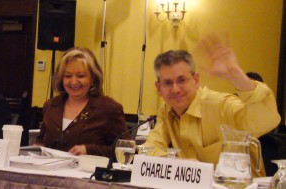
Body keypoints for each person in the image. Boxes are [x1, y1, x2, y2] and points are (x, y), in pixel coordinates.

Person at [142, 33, 281, 177]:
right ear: (158, 88)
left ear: (196, 80)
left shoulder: (221, 105)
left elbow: (267, 120)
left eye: (182, 80)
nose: (175, 89)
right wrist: (177, 163)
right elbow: (148, 150)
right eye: (168, 83)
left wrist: (236, 75)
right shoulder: (166, 111)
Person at [35, 47, 129, 157]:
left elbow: (126, 151)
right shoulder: (51, 105)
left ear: (93, 78)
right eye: (68, 76)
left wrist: (89, 150)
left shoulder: (109, 109)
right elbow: (41, 142)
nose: (74, 81)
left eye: (80, 76)